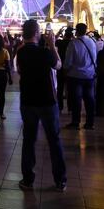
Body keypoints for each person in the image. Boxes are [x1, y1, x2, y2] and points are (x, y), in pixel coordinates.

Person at [15, 19, 67, 192]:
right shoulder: (45, 52)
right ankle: (60, 180)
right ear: (37, 33)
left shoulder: (20, 53)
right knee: (54, 140)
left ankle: (28, 179)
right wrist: (52, 45)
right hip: (47, 101)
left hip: (28, 101)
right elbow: (59, 65)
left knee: (29, 140)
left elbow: (20, 72)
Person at [63, 22, 97, 130]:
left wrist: (65, 70)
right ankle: (90, 123)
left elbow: (68, 61)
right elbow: (95, 57)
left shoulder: (73, 43)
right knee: (90, 100)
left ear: (76, 31)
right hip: (89, 75)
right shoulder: (92, 41)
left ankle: (75, 122)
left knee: (76, 100)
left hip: (76, 75)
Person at [55, 27, 73, 112]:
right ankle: (70, 107)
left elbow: (53, 40)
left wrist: (59, 32)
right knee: (70, 89)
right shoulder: (73, 43)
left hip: (61, 67)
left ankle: (60, 106)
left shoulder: (60, 42)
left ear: (64, 35)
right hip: (70, 69)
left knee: (60, 89)